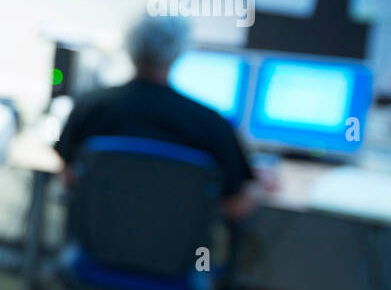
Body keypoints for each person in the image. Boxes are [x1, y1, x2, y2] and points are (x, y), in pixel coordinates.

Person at [55, 14, 257, 220]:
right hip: (179, 250)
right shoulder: (212, 123)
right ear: (178, 52)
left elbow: (68, 179)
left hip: (99, 245)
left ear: (130, 46)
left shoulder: (90, 107)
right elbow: (236, 207)